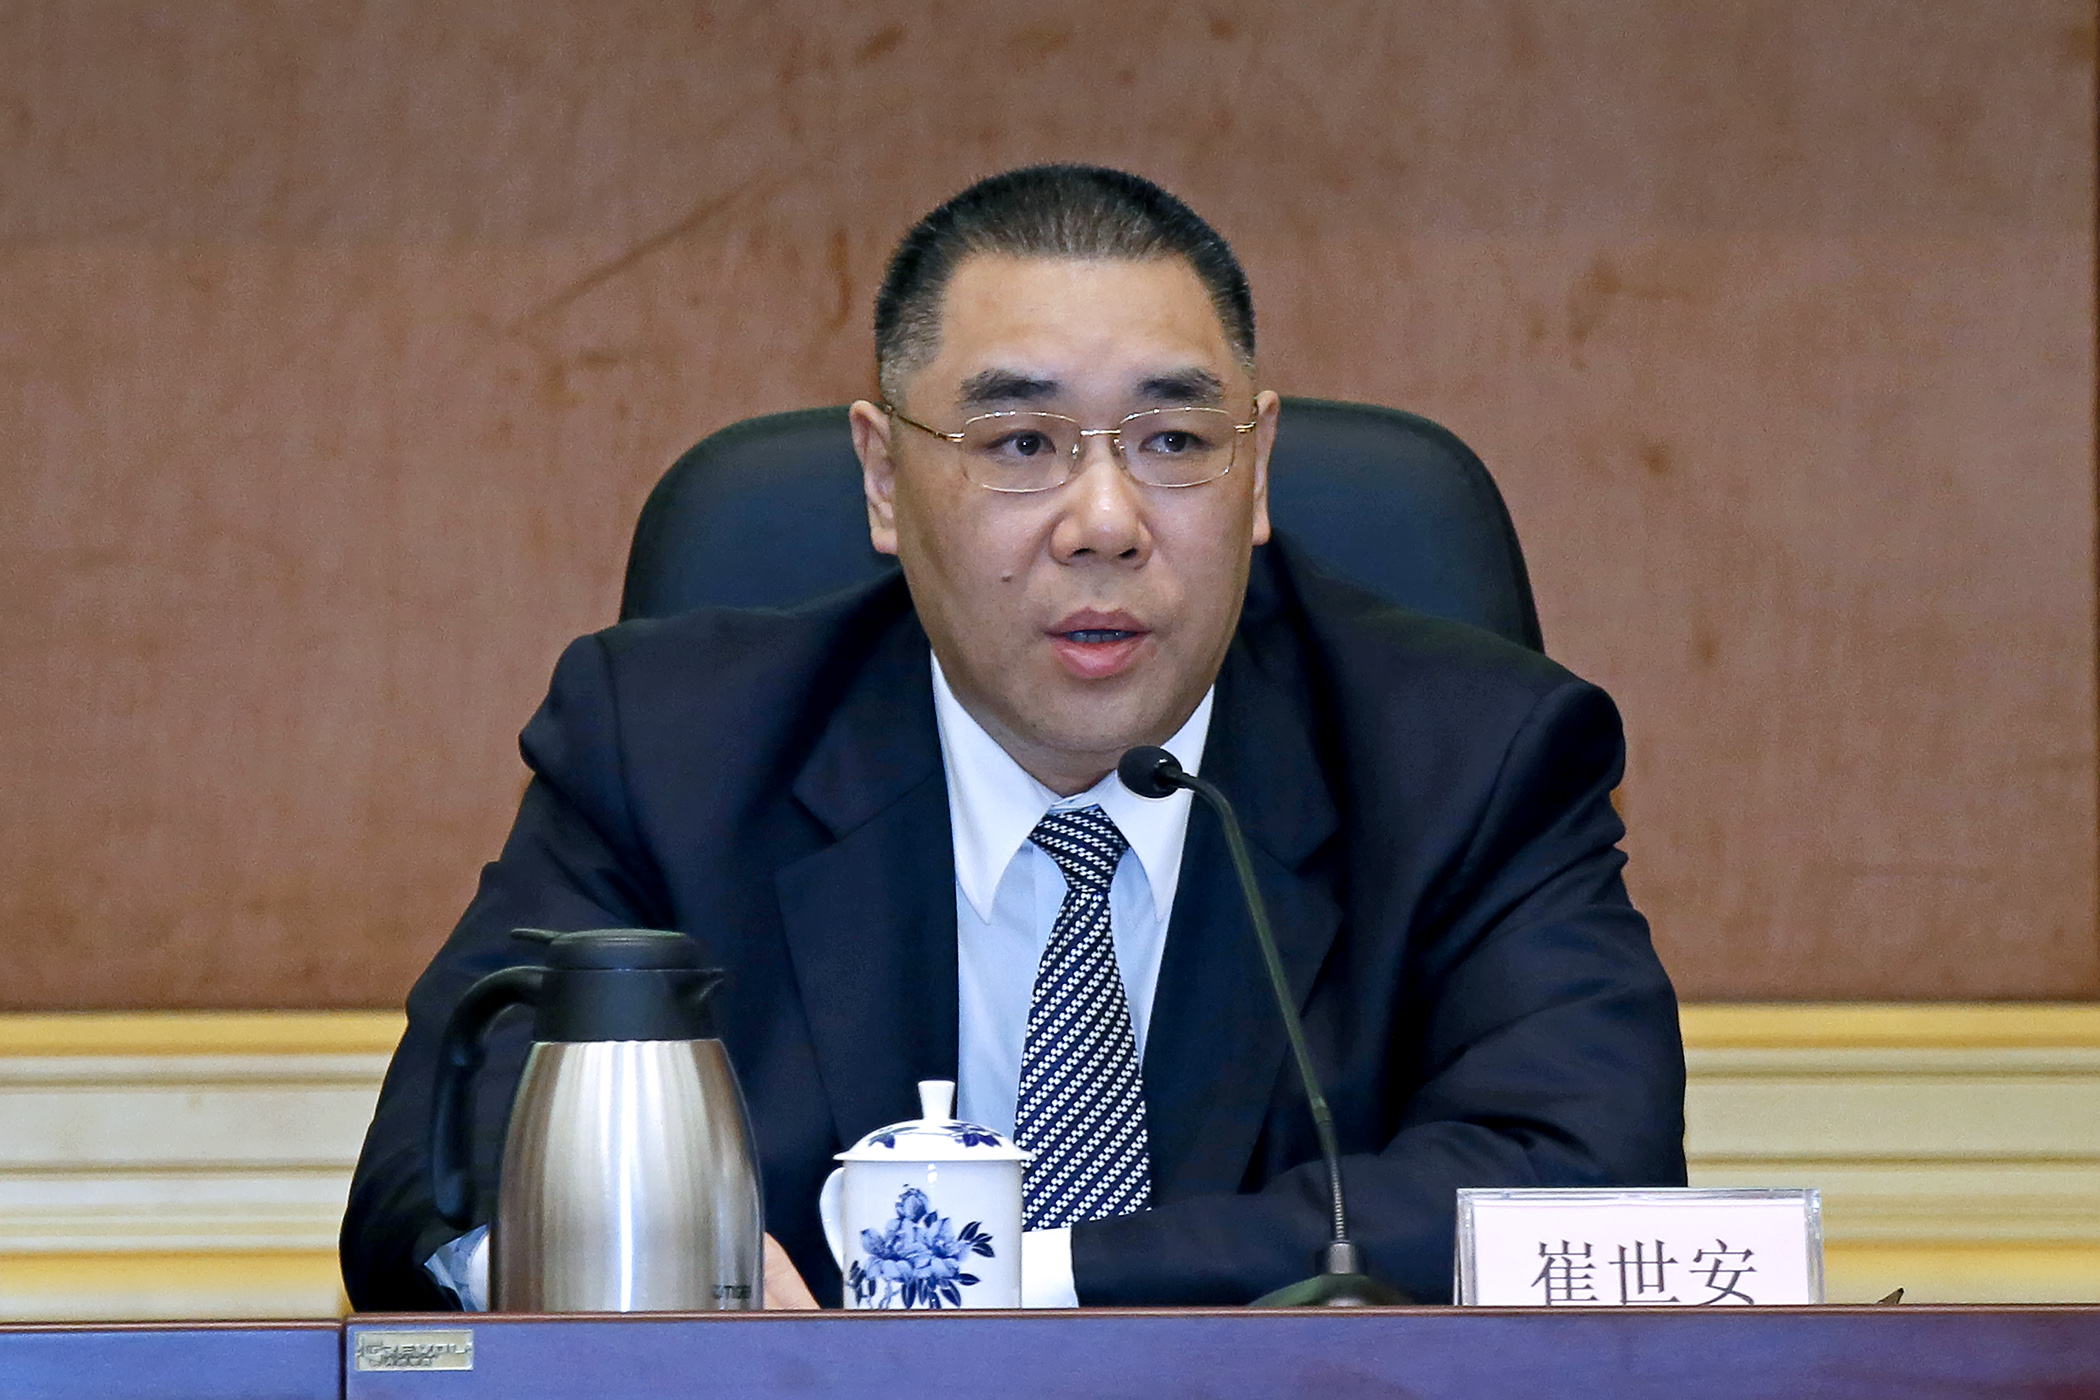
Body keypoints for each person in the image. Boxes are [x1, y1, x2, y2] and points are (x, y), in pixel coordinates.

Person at [340, 165, 1685, 1311]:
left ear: (1258, 467)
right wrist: (617, 1266)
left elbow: (1581, 1179)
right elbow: (437, 1168)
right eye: (1022, 443)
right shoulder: (671, 750)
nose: (1104, 522)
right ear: (884, 478)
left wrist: (992, 1290)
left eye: (1174, 439)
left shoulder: (1472, 762)